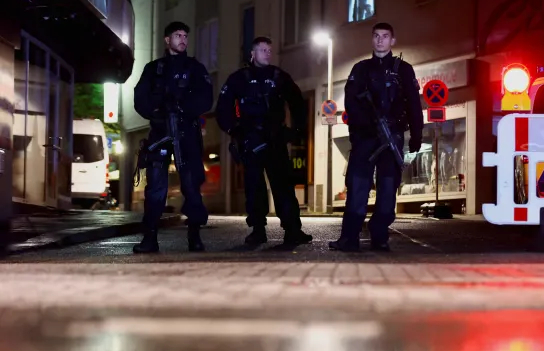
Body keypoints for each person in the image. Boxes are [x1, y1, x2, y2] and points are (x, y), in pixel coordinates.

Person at [329, 23, 423, 252]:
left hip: (393, 136)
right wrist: (365, 127)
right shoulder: (360, 69)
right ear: (372, 40)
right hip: (366, 138)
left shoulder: (404, 70)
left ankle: (379, 235)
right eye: (376, 36)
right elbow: (351, 102)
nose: (380, 40)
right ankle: (349, 238)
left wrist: (417, 134)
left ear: (392, 41)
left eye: (385, 36)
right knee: (357, 187)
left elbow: (413, 104)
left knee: (388, 188)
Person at [215, 36, 312, 246]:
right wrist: (235, 130)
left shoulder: (278, 76)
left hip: (276, 139)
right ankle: (258, 230)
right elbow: (222, 108)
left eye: (269, 49)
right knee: (254, 187)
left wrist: (295, 130)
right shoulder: (239, 78)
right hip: (251, 140)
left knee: (284, 186)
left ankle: (293, 230)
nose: (267, 53)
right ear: (252, 53)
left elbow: (297, 102)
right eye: (262, 50)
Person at [132, 21, 213, 253]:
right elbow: (140, 98)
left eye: (185, 36)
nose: (183, 40)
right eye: (178, 35)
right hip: (160, 132)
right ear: (167, 40)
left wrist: (183, 109)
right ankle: (150, 238)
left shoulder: (195, 68)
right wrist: (157, 112)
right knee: (156, 188)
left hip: (186, 133)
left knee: (191, 186)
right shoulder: (154, 68)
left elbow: (206, 98)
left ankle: (194, 235)